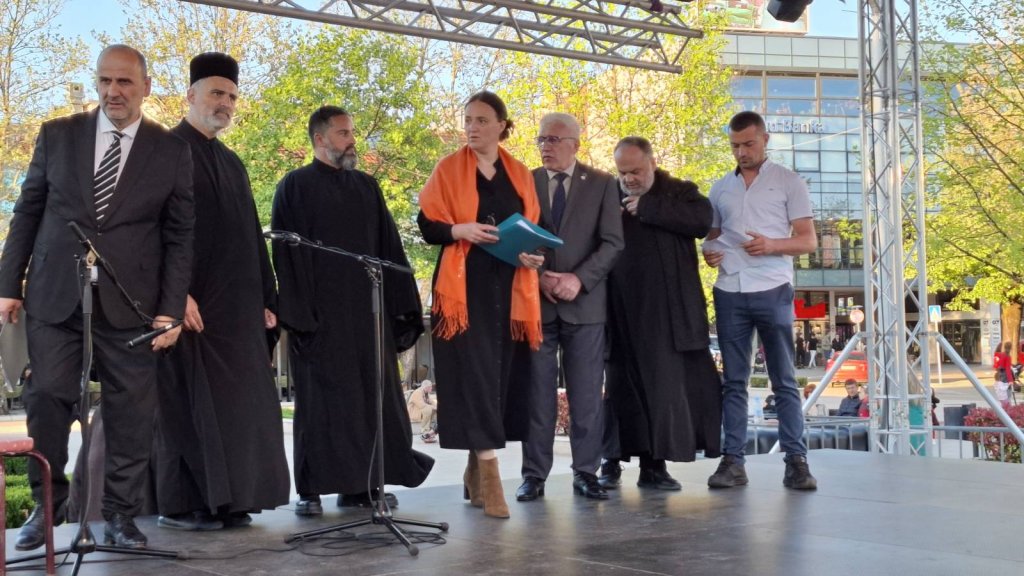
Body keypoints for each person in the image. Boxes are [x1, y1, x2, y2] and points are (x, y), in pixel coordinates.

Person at [0, 44, 194, 550]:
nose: (113, 91)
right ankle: (47, 505)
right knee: (46, 397)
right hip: (55, 294)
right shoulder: (57, 135)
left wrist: (170, 309)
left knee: (131, 412)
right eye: (105, 81)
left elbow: (180, 235)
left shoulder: (171, 150)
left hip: (133, 303)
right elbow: (27, 212)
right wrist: (7, 286)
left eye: (124, 82)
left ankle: (121, 516)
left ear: (146, 87)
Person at [272, 105, 433, 516]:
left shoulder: (366, 187)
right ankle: (311, 491)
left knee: (368, 402)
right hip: (320, 320)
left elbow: (389, 248)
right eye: (343, 133)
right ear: (320, 139)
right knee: (320, 407)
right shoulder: (294, 186)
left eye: (351, 132)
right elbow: (286, 256)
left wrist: (400, 310)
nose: (351, 140)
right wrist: (300, 317)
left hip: (367, 318)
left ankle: (362, 486)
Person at [154, 53, 290, 532]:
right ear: (190, 95)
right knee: (189, 411)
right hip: (190, 311)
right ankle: (185, 507)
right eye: (216, 93)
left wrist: (268, 299)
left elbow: (251, 235)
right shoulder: (163, 151)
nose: (225, 103)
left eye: (231, 96)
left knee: (238, 412)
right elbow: (151, 232)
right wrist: (175, 295)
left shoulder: (232, 163)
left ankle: (231, 502)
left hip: (236, 315)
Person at [418, 91, 544, 519]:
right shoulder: (448, 168)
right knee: (474, 377)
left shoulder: (520, 173)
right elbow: (427, 225)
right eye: (468, 119)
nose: (472, 127)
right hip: (462, 288)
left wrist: (532, 256)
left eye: (482, 120)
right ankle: (490, 476)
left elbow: (533, 229)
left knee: (500, 379)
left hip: (510, 287)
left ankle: (475, 468)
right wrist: (461, 230)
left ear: (502, 126)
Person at [599, 136, 722, 492]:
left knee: (663, 392)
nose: (629, 179)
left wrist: (648, 208)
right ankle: (609, 462)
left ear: (652, 163)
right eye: (623, 172)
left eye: (636, 171)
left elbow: (701, 221)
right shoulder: (607, 194)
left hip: (667, 317)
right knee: (619, 389)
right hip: (619, 312)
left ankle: (654, 467)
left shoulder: (680, 192)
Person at [703, 111, 818, 491]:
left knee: (783, 379)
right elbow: (713, 238)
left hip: (772, 288)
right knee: (733, 382)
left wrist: (772, 245)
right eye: (735, 145)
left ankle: (796, 462)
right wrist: (710, 253)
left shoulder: (788, 181)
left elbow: (808, 240)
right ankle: (732, 461)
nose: (742, 152)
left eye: (748, 144)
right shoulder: (720, 188)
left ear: (765, 139)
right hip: (729, 289)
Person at [516, 113, 623, 503]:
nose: (546, 146)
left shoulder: (602, 183)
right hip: (537, 304)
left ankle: (586, 473)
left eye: (554, 139)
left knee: (587, 396)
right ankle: (533, 476)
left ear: (576, 144)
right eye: (541, 139)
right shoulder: (524, 181)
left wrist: (578, 279)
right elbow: (515, 238)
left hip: (585, 306)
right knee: (537, 396)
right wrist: (540, 277)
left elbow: (613, 243)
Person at [993, 341, 1013, 409]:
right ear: (1011, 348)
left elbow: (996, 365)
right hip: (1005, 378)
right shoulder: (1008, 356)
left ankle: (1002, 410)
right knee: (1007, 396)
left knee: (1001, 396)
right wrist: (1010, 380)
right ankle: (1007, 411)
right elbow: (1008, 369)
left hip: (998, 376)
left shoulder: (999, 355)